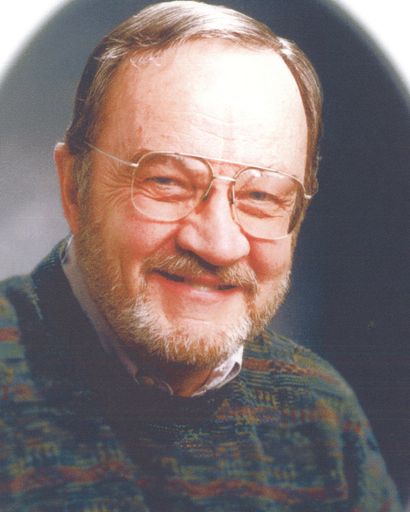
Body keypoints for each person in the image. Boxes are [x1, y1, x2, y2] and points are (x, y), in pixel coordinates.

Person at [0, 1, 402, 510]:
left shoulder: (321, 414)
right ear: (74, 188)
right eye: (166, 182)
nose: (218, 244)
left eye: (261, 196)